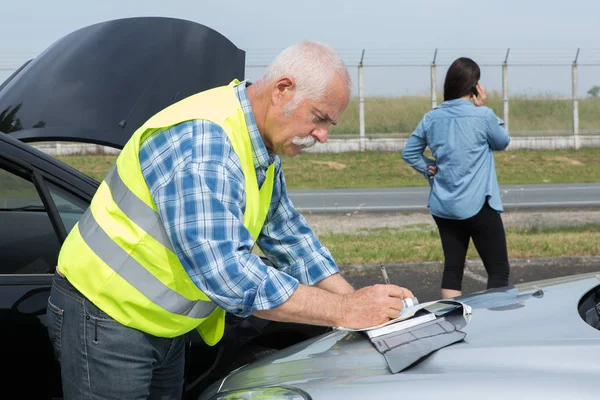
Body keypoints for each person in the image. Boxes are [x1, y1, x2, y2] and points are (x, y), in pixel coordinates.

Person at [46, 41, 415, 399]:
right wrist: (344, 310)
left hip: (164, 325)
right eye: (319, 118)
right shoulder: (205, 141)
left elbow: (288, 235)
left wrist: (355, 302)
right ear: (283, 90)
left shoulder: (259, 146)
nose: (323, 135)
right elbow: (228, 273)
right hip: (106, 316)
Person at [402, 57, 511, 300]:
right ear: (475, 86)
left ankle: (451, 322)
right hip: (480, 205)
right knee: (498, 271)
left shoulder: (431, 118)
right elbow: (502, 142)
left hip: (444, 206)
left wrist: (428, 167)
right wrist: (484, 107)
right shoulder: (482, 116)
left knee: (453, 268)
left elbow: (409, 152)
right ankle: (497, 323)